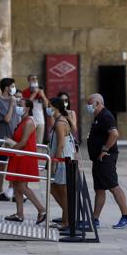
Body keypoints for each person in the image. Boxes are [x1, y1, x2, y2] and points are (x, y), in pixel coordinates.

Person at [86, 93, 127, 229]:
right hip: (98, 159)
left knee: (113, 186)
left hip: (106, 158)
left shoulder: (106, 116)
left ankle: (126, 216)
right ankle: (95, 219)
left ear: (98, 103)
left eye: (90, 104)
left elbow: (115, 134)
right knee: (100, 189)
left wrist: (105, 149)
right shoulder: (98, 117)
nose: (88, 107)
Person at [4, 99, 47, 224]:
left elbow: (23, 142)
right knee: (17, 185)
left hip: (24, 157)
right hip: (19, 156)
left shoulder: (28, 121)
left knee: (22, 186)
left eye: (20, 105)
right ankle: (19, 213)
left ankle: (41, 209)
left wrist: (10, 148)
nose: (18, 107)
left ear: (27, 108)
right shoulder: (22, 120)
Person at [47, 97, 75, 229]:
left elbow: (60, 145)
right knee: (58, 189)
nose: (48, 108)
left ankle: (68, 219)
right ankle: (67, 218)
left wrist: (54, 163)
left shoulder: (60, 123)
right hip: (65, 159)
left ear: (55, 107)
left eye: (49, 106)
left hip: (62, 160)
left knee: (59, 190)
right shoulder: (61, 120)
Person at [0, 78, 18, 201]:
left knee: (14, 165)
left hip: (14, 138)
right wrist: (12, 105)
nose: (13, 88)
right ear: (6, 87)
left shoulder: (14, 100)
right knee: (2, 165)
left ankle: (12, 189)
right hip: (3, 138)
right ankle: (0, 191)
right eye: (12, 86)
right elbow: (6, 119)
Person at [22, 74, 49, 144]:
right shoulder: (25, 92)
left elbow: (47, 106)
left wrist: (43, 95)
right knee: (29, 142)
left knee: (39, 143)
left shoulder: (41, 91)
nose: (35, 80)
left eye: (36, 79)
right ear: (28, 81)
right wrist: (34, 93)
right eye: (32, 79)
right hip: (30, 121)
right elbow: (26, 104)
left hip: (40, 121)